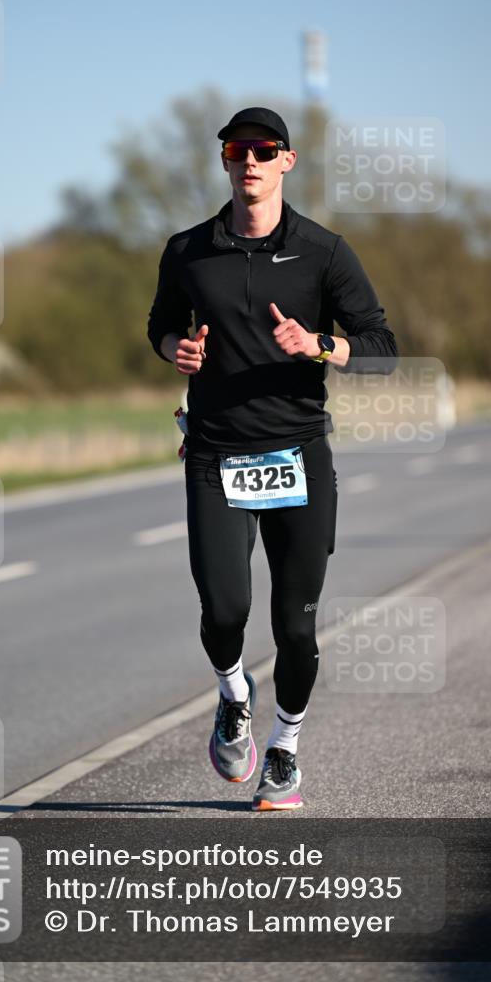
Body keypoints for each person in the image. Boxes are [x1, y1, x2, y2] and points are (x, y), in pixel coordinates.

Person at [147, 107, 397, 811]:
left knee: (294, 624)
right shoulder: (187, 250)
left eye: (263, 150)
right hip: (214, 452)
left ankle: (284, 747)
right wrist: (176, 350)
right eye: (236, 150)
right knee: (224, 610)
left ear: (286, 161)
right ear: (224, 162)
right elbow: (159, 324)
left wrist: (319, 345)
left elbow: (380, 348)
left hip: (298, 452)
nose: (248, 161)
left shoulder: (323, 252)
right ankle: (233, 695)